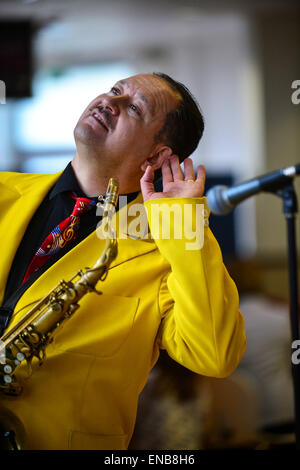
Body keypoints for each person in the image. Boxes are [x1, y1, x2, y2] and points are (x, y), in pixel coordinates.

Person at [0, 72, 246, 450]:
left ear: (158, 156)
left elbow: (215, 354)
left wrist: (184, 223)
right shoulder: (4, 191)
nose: (108, 102)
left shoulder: (167, 253)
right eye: (115, 90)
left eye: (133, 107)